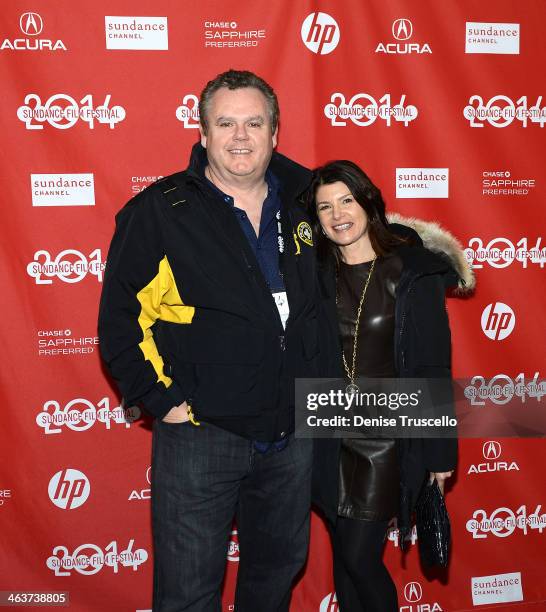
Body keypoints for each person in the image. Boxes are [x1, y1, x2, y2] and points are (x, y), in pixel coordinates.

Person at [98, 70, 323, 612]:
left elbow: (365, 267)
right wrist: (161, 401)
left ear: (275, 132)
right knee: (187, 593)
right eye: (225, 123)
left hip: (292, 434)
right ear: (202, 134)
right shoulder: (161, 212)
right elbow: (120, 321)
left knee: (274, 582)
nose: (240, 136)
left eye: (254, 122)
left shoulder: (311, 200)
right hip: (202, 435)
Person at [307, 160, 474, 612]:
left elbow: (432, 366)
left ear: (368, 203)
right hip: (325, 434)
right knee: (345, 559)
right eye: (325, 207)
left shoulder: (412, 273)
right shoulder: (314, 275)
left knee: (359, 558)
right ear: (316, 220)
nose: (338, 214)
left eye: (347, 200)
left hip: (385, 439)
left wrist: (440, 453)